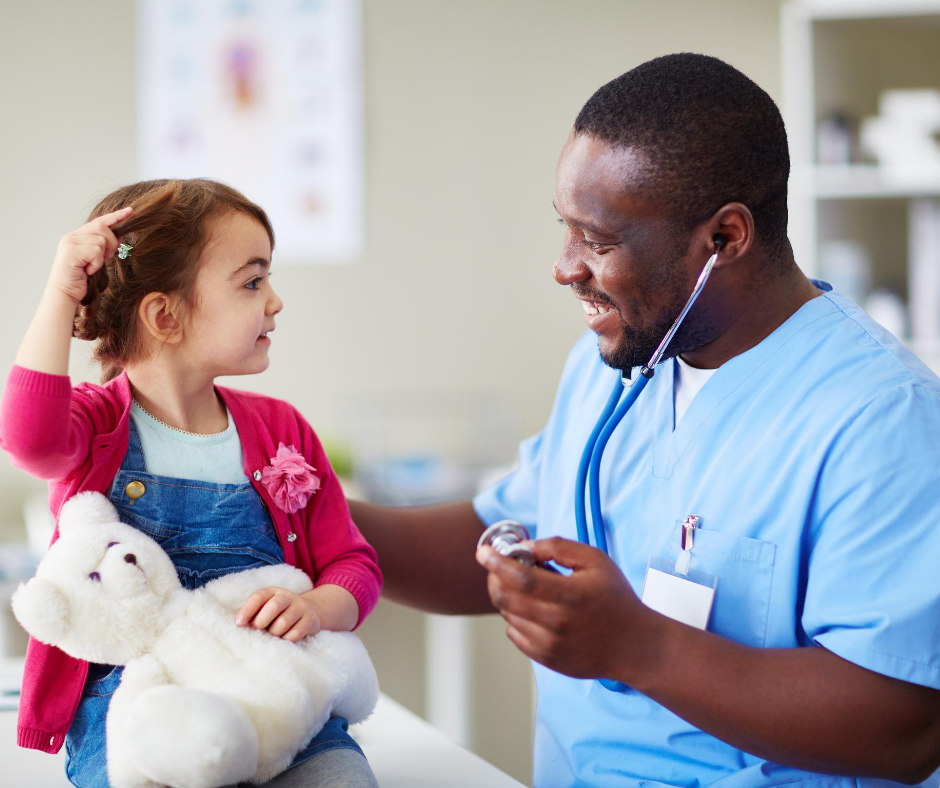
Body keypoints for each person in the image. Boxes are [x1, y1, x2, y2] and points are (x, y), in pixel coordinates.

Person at [349, 54, 940, 786]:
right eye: (565, 229)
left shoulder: (882, 422)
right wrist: (309, 515)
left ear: (724, 238)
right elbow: (509, 537)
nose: (565, 267)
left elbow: (905, 725)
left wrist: (639, 648)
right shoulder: (615, 364)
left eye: (597, 241)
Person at [0, 179, 382, 788]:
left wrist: (315, 607)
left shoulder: (283, 430)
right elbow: (28, 438)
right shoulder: (97, 425)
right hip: (133, 707)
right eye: (253, 281)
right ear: (165, 315)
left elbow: (353, 566)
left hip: (268, 688)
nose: (276, 301)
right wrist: (59, 292)